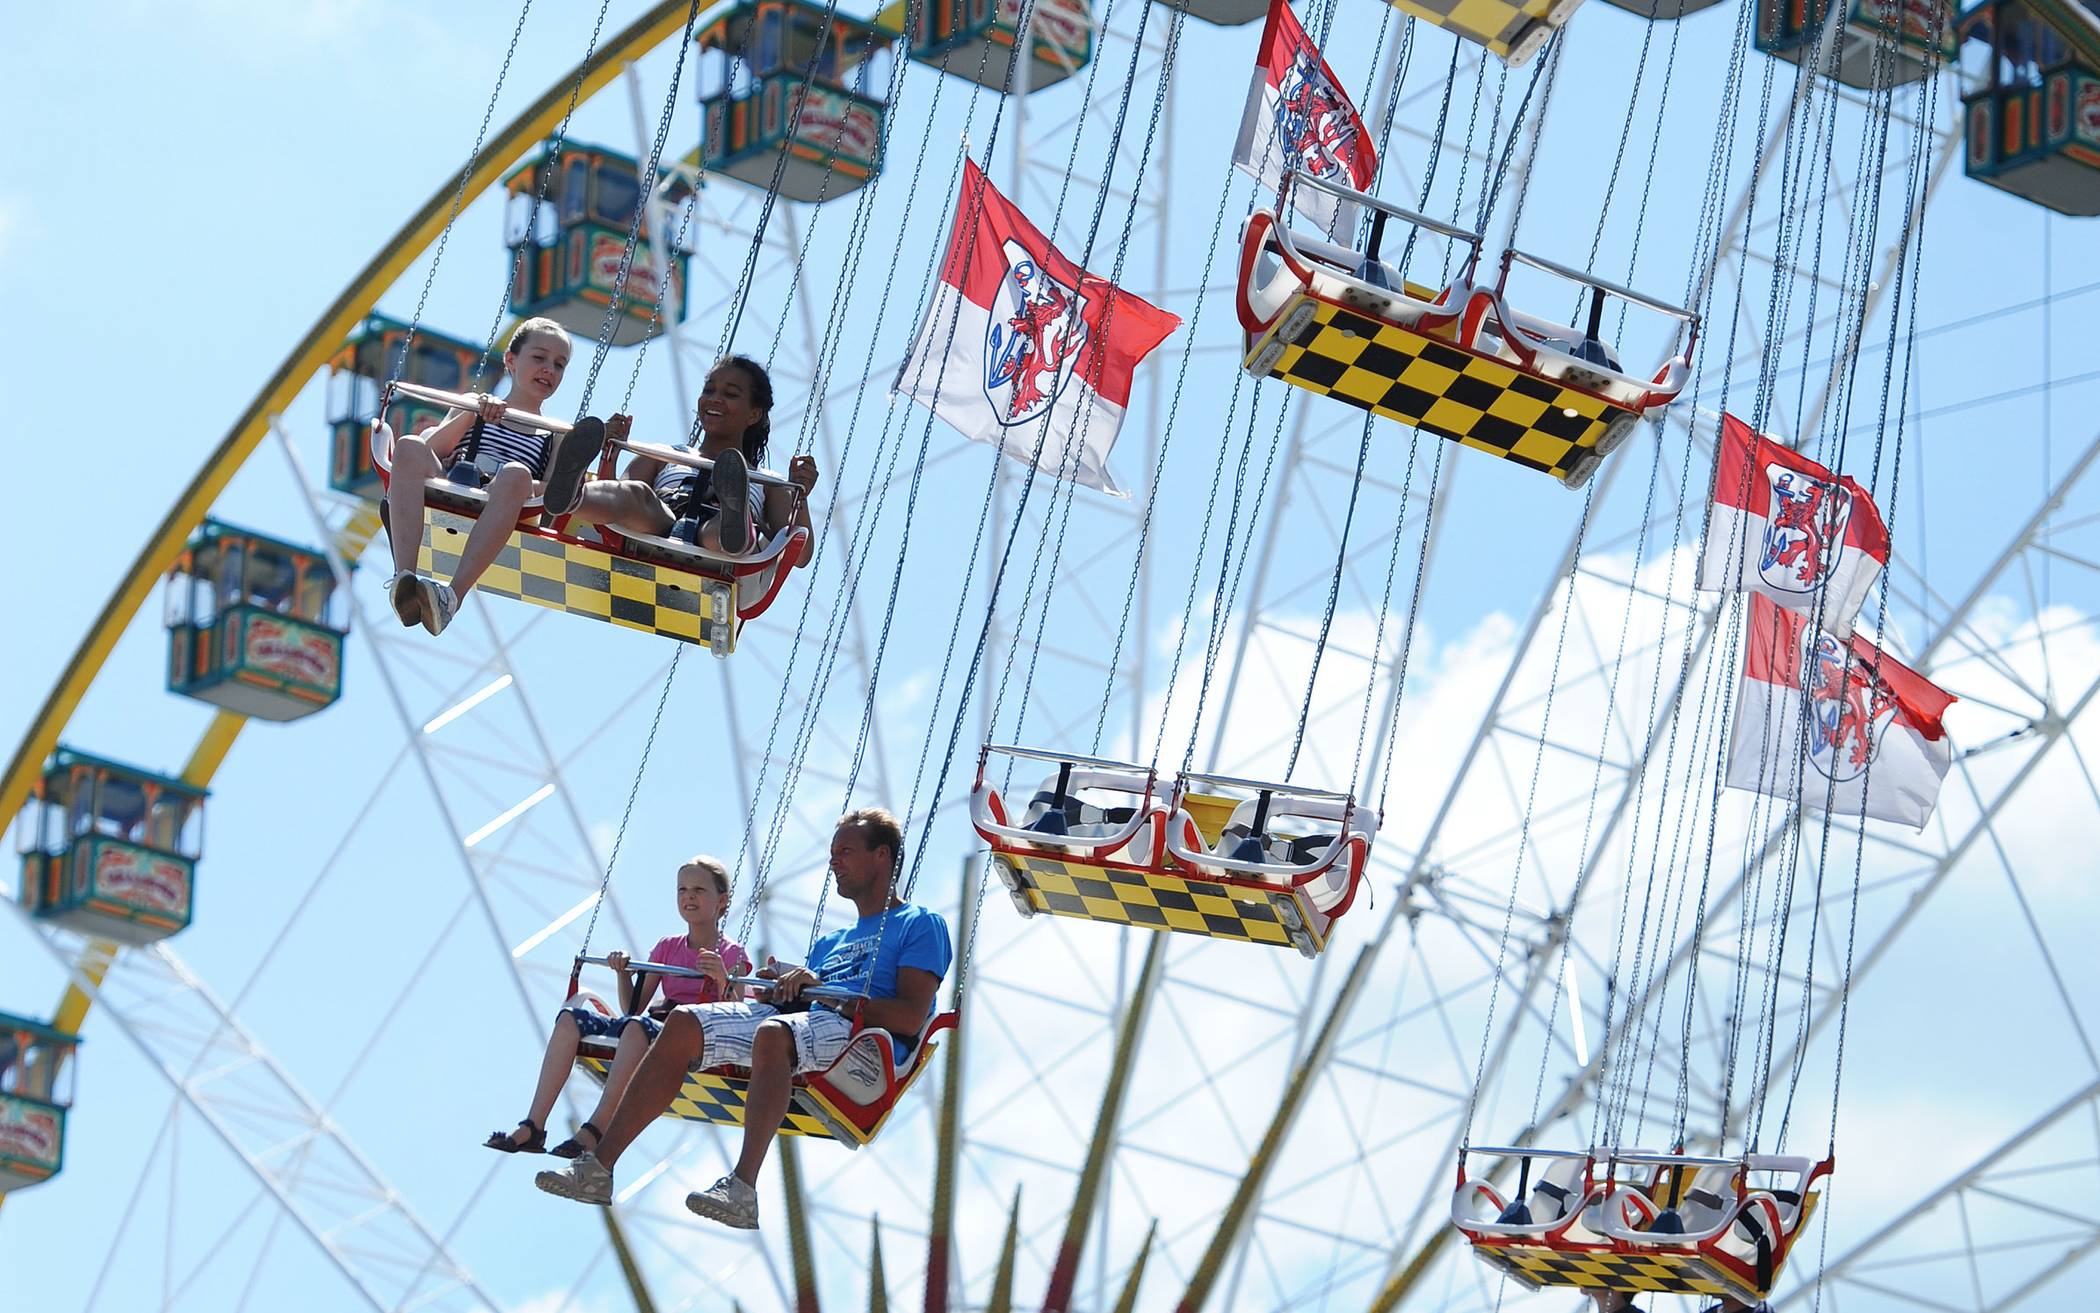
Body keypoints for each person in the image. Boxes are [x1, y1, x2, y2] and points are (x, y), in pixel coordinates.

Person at [534, 808, 952, 1229]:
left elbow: (911, 1016)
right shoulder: (830, 942)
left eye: (845, 851)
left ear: (882, 855)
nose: (833, 861)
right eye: (831, 852)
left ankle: (742, 1189)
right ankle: (597, 1170)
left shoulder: (919, 924)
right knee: (683, 1022)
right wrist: (785, 985)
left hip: (860, 1038)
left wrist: (827, 996)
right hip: (811, 1021)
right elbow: (802, 1010)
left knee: (773, 1034)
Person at [484, 856, 752, 1158]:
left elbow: (737, 1014)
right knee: (571, 1019)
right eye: (682, 889)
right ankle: (534, 1125)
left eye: (699, 890)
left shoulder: (732, 954)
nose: (689, 896)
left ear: (722, 901)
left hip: (695, 1035)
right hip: (652, 1026)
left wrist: (720, 976)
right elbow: (634, 1009)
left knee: (638, 1028)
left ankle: (596, 1129)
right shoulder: (667, 947)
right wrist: (624, 974)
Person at [380, 318, 601, 637]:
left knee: (515, 474)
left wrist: (515, 480)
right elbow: (429, 451)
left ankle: (452, 596)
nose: (549, 369)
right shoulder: (474, 404)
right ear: (511, 361)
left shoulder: (553, 434)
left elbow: (550, 492)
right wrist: (473, 413)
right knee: (409, 445)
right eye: (539, 358)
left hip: (512, 498)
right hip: (456, 481)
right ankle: (405, 577)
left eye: (559, 364)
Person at [572, 356, 818, 562]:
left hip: (719, 550)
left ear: (753, 414)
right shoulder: (662, 454)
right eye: (709, 390)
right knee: (635, 494)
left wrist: (800, 496)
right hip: (660, 523)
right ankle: (573, 496)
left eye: (730, 394)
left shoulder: (768, 482)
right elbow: (614, 510)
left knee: (719, 531)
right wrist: (610, 454)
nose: (714, 399)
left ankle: (735, 518)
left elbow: (799, 556)